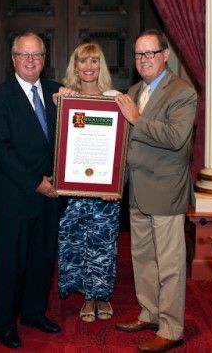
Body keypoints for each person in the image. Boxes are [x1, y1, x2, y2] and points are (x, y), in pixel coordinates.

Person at [114, 29, 197, 353]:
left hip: (165, 192)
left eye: (150, 53)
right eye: (139, 54)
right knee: (143, 259)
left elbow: (177, 137)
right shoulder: (134, 90)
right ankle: (149, 312)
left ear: (165, 55)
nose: (144, 59)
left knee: (170, 263)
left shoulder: (182, 91)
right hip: (137, 191)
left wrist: (137, 118)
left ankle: (171, 328)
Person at [0, 32, 64, 349]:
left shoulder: (59, 93)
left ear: (44, 60)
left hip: (51, 194)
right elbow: (0, 149)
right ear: (13, 59)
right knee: (10, 261)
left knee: (42, 257)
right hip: (16, 195)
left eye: (37, 54)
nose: (30, 60)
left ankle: (34, 312)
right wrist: (37, 183)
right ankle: (4, 321)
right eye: (24, 54)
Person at [56, 41, 120, 323]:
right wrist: (59, 105)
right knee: (79, 242)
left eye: (94, 61)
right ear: (75, 66)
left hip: (106, 191)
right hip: (75, 190)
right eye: (83, 61)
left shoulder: (115, 98)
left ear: (101, 66)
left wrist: (115, 185)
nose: (88, 67)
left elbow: (121, 147)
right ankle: (88, 296)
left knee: (104, 244)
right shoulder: (66, 98)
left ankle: (103, 294)